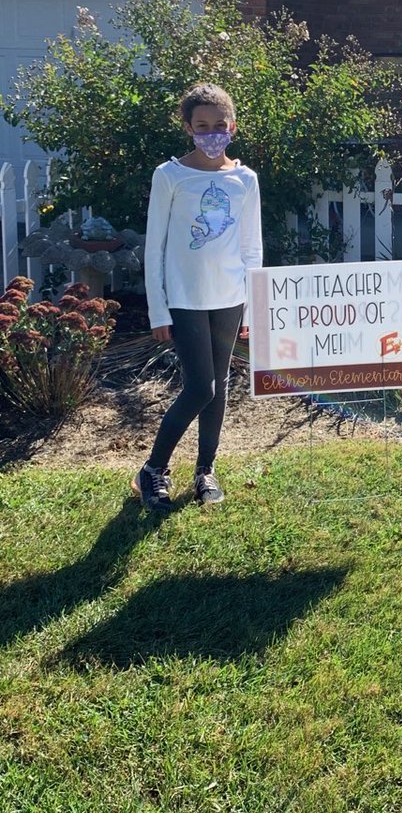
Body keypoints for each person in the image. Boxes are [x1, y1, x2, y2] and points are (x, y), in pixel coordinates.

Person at [133, 83, 263, 510]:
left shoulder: (245, 180)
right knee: (200, 388)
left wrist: (252, 304)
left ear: (233, 127)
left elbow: (251, 248)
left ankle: (205, 470)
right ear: (188, 127)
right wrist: (158, 308)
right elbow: (155, 248)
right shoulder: (170, 175)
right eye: (202, 126)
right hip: (185, 300)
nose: (211, 134)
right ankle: (152, 471)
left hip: (229, 299)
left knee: (220, 387)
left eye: (219, 126)